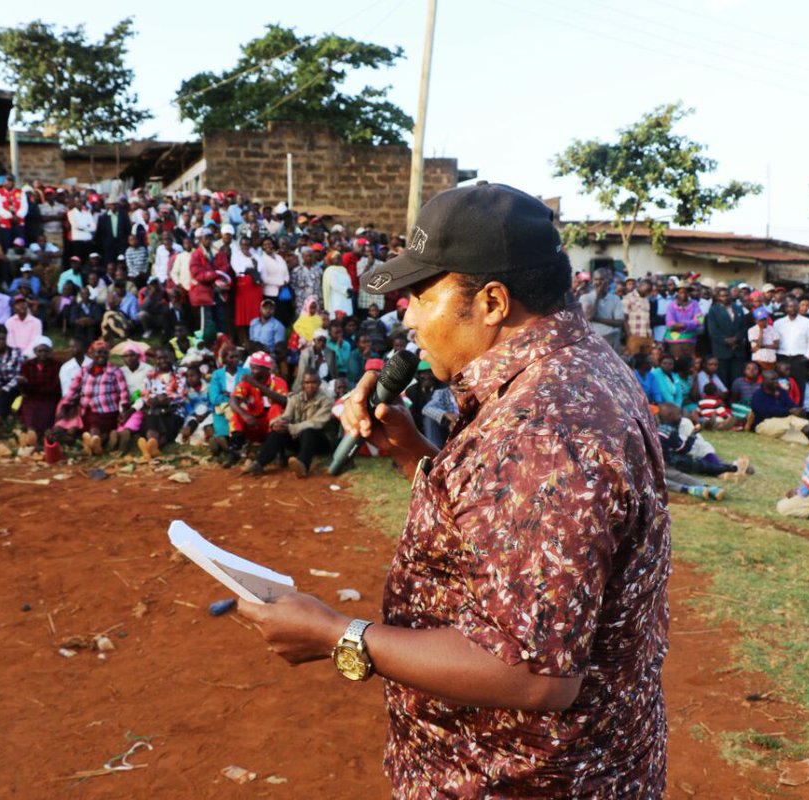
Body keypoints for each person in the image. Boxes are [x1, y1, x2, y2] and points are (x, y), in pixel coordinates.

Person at [237, 183, 668, 796]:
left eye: (421, 294)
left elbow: (533, 674)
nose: (406, 314)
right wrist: (418, 454)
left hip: (521, 780)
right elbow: (515, 532)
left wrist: (339, 635)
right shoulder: (571, 369)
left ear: (492, 300)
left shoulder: (544, 423)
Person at [244, 370, 334, 477]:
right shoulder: (295, 398)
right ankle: (259, 463)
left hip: (321, 441)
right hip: (300, 439)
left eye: (314, 383)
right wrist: (277, 423)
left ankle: (303, 466)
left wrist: (290, 428)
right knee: (279, 430)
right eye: (307, 383)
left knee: (309, 430)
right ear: (302, 384)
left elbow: (316, 423)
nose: (310, 386)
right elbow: (287, 416)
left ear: (319, 384)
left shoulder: (327, 401)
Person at [60, 338, 129, 451]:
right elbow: (72, 390)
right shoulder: (84, 370)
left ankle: (94, 445)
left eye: (105, 352)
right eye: (98, 352)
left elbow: (123, 392)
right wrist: (66, 404)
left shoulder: (114, 371)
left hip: (107, 411)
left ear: (108, 355)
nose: (101, 355)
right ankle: (101, 442)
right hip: (87, 410)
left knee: (94, 429)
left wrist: (123, 410)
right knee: (85, 427)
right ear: (92, 354)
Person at [224, 350, 288, 467]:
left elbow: (284, 401)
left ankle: (279, 451)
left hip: (271, 427)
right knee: (236, 413)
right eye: (251, 368)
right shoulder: (246, 382)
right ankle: (235, 451)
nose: (252, 371)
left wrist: (257, 384)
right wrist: (245, 415)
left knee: (276, 408)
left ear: (266, 369)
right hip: (253, 423)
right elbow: (233, 400)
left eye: (256, 368)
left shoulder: (278, 381)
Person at [138, 346, 188, 458]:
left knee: (167, 422)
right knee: (152, 419)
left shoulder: (179, 373)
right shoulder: (150, 375)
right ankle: (152, 446)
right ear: (154, 360)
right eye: (159, 358)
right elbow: (145, 395)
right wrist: (152, 400)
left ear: (171, 357)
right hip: (154, 410)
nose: (162, 361)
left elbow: (182, 395)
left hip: (174, 410)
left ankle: (149, 449)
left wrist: (166, 399)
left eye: (165, 357)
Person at [18, 336, 60, 436]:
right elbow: (24, 386)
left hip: (48, 397)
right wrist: (24, 384)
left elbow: (55, 386)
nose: (43, 354)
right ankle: (31, 434)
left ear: (50, 351)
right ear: (35, 351)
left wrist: (33, 386)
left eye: (46, 351)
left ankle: (42, 434)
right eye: (40, 351)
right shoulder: (27, 365)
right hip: (31, 397)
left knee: (45, 417)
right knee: (29, 413)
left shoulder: (56, 365)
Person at [706, 285, 749, 384]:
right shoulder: (713, 310)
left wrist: (736, 339)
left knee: (737, 378)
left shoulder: (738, 308)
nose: (725, 298)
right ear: (718, 298)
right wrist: (726, 341)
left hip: (738, 350)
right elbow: (713, 331)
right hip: (721, 350)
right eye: (722, 296)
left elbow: (744, 327)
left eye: (727, 295)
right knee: (722, 378)